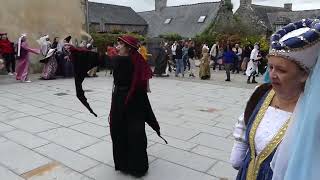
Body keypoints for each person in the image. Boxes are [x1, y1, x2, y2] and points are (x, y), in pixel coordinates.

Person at [230, 18, 320, 180]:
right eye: (270, 67)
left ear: (304, 75)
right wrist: (239, 146)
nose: (272, 74)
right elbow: (245, 120)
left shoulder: (310, 112)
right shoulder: (261, 92)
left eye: (281, 70)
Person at [109, 35, 166, 177]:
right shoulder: (138, 59)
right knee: (125, 131)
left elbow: (100, 59)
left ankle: (134, 166)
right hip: (131, 100)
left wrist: (75, 51)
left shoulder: (122, 61)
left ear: (128, 48)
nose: (117, 46)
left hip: (130, 101)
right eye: (118, 44)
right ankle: (131, 164)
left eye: (120, 44)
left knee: (133, 133)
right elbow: (145, 82)